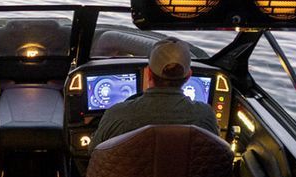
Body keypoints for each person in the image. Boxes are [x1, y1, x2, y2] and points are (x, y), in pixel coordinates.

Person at [92, 39, 220, 143]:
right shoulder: (205, 116)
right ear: (188, 76)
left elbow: (93, 151)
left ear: (148, 73)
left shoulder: (117, 115)